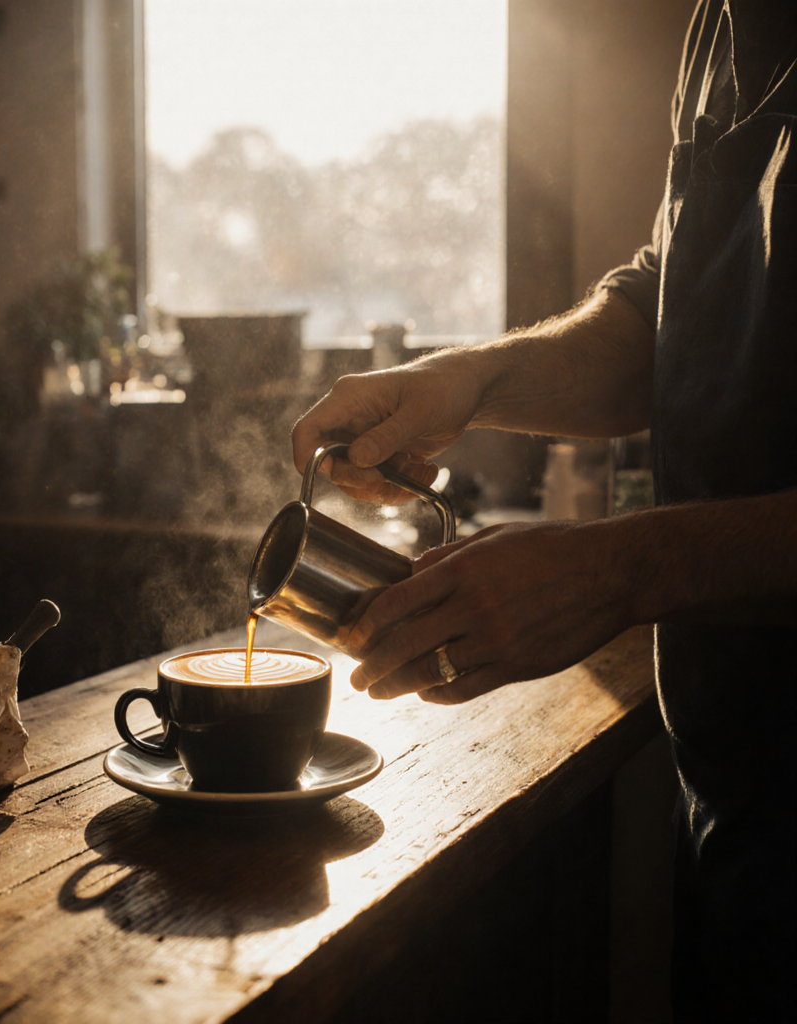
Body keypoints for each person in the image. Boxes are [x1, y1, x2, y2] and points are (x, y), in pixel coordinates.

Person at [291, 2, 795, 1020]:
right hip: (737, 804)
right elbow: (673, 313)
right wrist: (471, 378)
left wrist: (624, 570)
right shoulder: (719, 29)